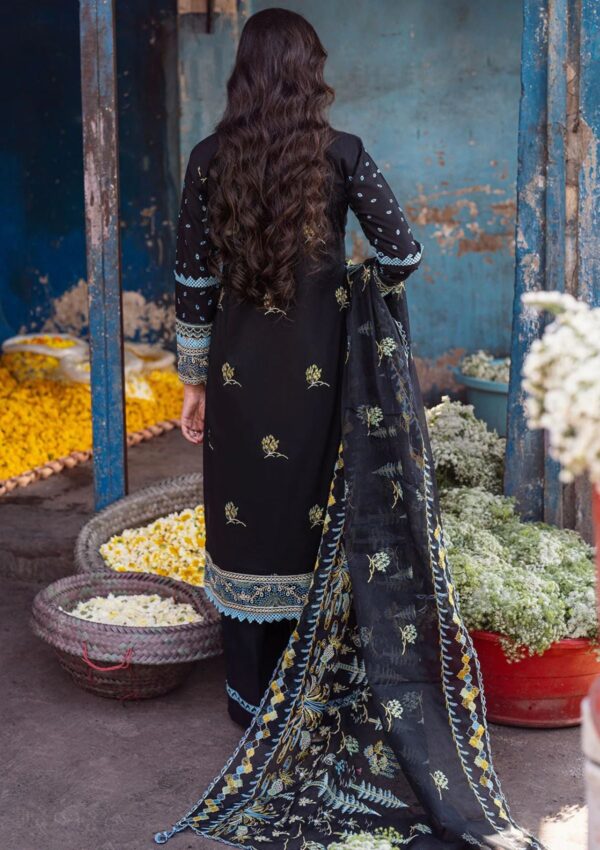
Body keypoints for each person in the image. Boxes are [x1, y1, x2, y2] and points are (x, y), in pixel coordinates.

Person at [159, 8, 545, 850]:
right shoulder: (342, 155)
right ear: (310, 72)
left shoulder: (206, 160)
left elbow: (192, 279)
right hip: (321, 371)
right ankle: (319, 694)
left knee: (243, 516)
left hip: (234, 376)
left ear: (243, 74)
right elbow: (403, 253)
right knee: (315, 513)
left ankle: (250, 698)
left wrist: (192, 383)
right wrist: (345, 284)